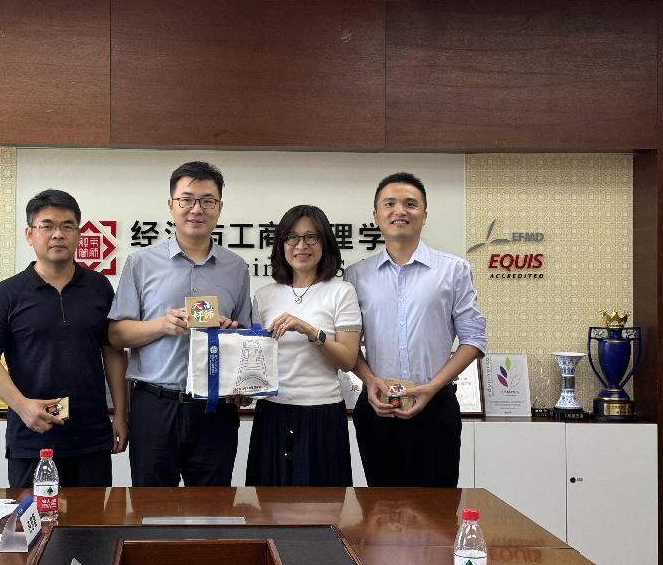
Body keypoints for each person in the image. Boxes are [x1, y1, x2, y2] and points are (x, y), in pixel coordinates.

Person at [108, 161, 251, 486]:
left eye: (207, 201)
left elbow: (244, 337)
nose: (196, 209)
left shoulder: (236, 267)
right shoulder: (141, 262)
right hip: (155, 405)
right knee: (150, 506)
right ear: (171, 204)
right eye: (187, 199)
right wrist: (162, 325)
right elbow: (116, 335)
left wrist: (231, 333)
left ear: (220, 207)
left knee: (213, 506)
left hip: (215, 409)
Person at [0, 189, 128, 487]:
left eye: (67, 226)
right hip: (32, 438)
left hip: (91, 438)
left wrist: (121, 415)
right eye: (47, 226)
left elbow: (112, 352)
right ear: (30, 234)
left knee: (94, 517)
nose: (58, 234)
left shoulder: (99, 287)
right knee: (33, 517)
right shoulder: (8, 293)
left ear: (78, 234)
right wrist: (22, 406)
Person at [346, 172, 486, 487]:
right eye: (389, 204)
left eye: (410, 204)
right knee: (380, 508)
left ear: (424, 214)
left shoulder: (453, 270)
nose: (400, 211)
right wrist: (369, 380)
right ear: (376, 216)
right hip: (378, 406)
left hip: (435, 406)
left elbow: (474, 339)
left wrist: (432, 387)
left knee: (437, 508)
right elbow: (348, 343)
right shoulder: (356, 276)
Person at [245, 205, 361, 486]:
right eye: (292, 237)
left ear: (325, 242)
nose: (301, 246)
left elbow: (347, 360)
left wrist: (310, 331)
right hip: (272, 412)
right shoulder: (264, 296)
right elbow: (256, 359)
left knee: (324, 503)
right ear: (281, 244)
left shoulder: (341, 292)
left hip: (322, 412)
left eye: (311, 237)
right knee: (269, 501)